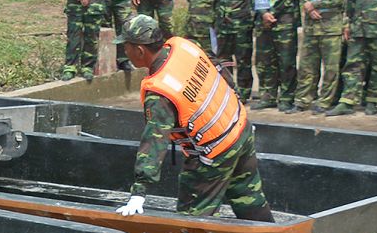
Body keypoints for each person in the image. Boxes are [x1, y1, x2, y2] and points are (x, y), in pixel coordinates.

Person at [112, 14, 274, 222]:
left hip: (214, 153)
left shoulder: (161, 91)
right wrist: (237, 106)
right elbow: (219, 69)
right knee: (249, 199)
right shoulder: (184, 48)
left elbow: (154, 141)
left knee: (191, 222)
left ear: (139, 50)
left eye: (126, 46)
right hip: (239, 129)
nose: (125, 51)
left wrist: (139, 192)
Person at [293, 0, 350, 113]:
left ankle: (325, 101)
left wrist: (315, 5)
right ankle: (302, 100)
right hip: (312, 26)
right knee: (307, 66)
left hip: (331, 26)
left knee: (331, 68)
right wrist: (308, 7)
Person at [252, 0, 301, 110]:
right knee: (265, 60)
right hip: (265, 21)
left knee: (286, 60)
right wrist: (264, 12)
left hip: (284, 20)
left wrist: (273, 12)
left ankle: (287, 97)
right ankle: (268, 95)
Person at [214, 0, 257, 102]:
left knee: (243, 59)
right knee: (224, 61)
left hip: (241, 25)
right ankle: (228, 90)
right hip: (223, 26)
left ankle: (244, 92)